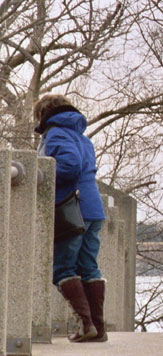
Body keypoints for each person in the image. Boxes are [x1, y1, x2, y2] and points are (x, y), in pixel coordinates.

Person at [34, 94, 107, 342]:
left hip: (71, 209)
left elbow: (70, 166)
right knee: (88, 267)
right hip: (92, 209)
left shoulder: (55, 133)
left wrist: (41, 175)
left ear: (43, 113)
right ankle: (98, 328)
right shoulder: (83, 138)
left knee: (63, 267)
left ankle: (86, 325)